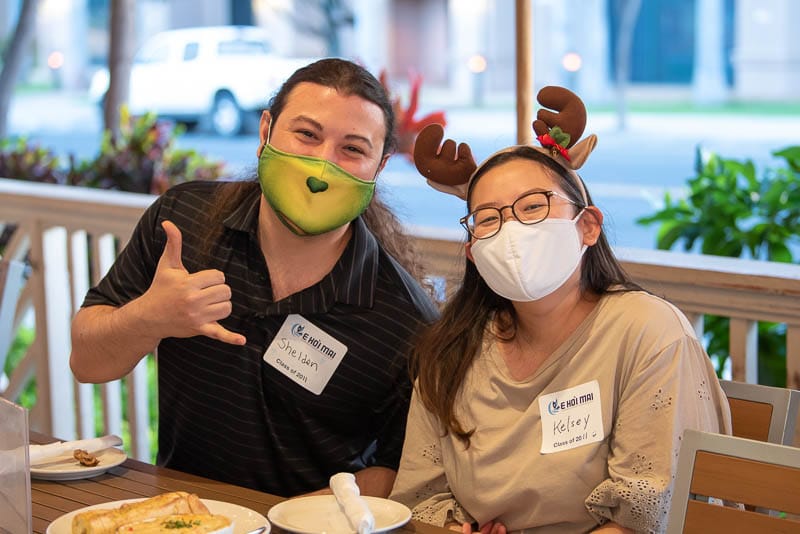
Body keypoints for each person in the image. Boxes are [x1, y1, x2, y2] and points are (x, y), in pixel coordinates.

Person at [70, 58, 438, 497]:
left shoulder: (404, 318)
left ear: (378, 168)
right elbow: (86, 362)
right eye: (307, 135)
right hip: (179, 517)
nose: (323, 165)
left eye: (353, 149)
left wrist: (295, 521)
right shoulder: (182, 221)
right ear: (266, 132)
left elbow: (397, 468)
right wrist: (152, 317)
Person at [389, 86, 732, 533]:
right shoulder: (451, 350)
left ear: (587, 226)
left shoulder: (648, 332)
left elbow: (648, 515)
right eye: (489, 219)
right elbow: (422, 497)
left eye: (533, 207)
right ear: (474, 251)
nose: (511, 231)